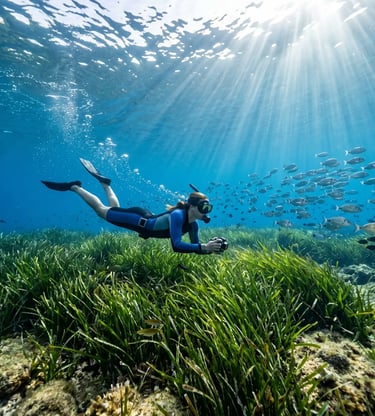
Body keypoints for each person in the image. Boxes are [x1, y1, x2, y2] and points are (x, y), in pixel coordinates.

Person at [41, 158, 227, 254]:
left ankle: (105, 184)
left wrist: (211, 248)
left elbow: (195, 246)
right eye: (203, 207)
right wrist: (204, 248)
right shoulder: (179, 216)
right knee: (101, 211)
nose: (206, 212)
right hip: (138, 220)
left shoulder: (193, 224)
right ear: (192, 206)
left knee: (115, 208)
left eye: (208, 209)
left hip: (145, 217)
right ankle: (75, 187)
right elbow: (177, 245)